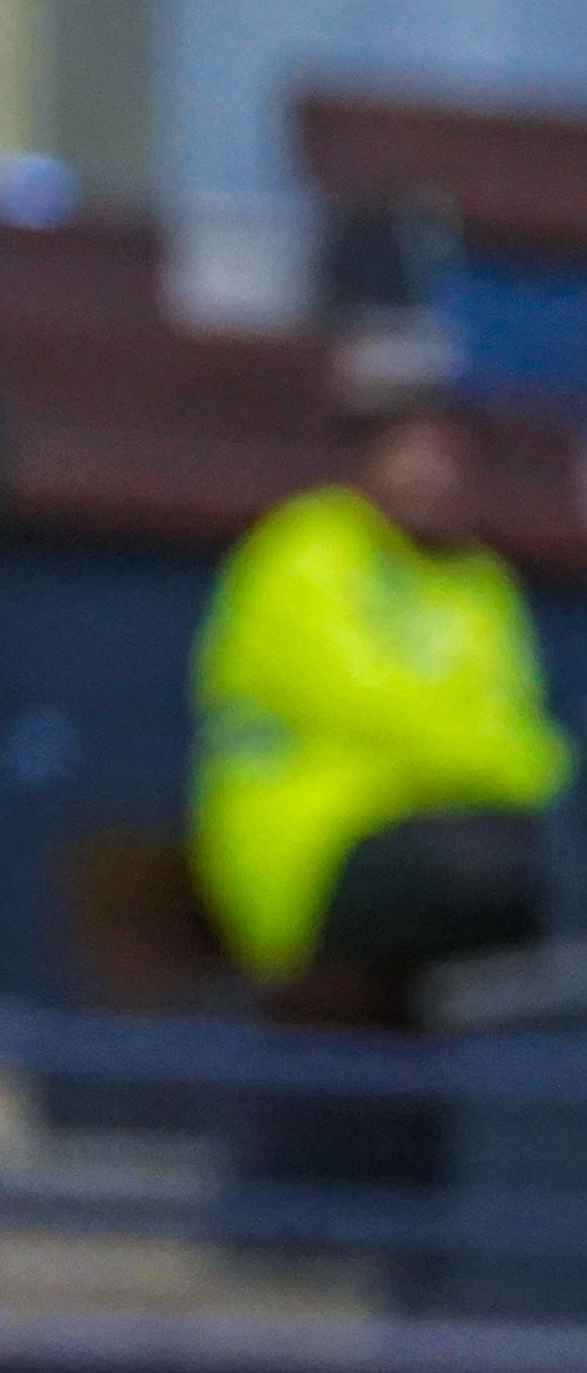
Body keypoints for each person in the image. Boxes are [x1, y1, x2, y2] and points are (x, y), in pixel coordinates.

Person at [193, 394, 572, 1015]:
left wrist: (514, 765)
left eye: (447, 457)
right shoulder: (306, 549)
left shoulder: (481, 582)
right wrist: (538, 772)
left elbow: (511, 716)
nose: (429, 474)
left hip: (453, 829)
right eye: (409, 452)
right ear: (363, 461)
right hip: (313, 850)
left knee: (532, 865)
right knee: (518, 867)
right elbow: (373, 708)